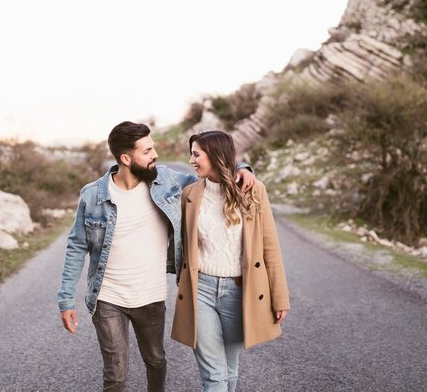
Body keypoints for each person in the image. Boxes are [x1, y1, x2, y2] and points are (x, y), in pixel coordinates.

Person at [57, 121, 258, 392]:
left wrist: (242, 168)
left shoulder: (167, 181)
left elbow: (212, 172)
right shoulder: (94, 194)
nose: (155, 155)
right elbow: (76, 246)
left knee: (155, 360)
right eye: (148, 151)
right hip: (108, 297)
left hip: (151, 296)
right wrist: (66, 298)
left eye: (153, 148)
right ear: (126, 158)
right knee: (115, 374)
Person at [171, 130, 290, 391]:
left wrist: (279, 297)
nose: (191, 160)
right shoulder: (189, 194)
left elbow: (270, 247)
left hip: (239, 292)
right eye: (191, 153)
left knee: (230, 368)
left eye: (196, 154)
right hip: (199, 290)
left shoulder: (253, 191)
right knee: (214, 374)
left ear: (214, 155)